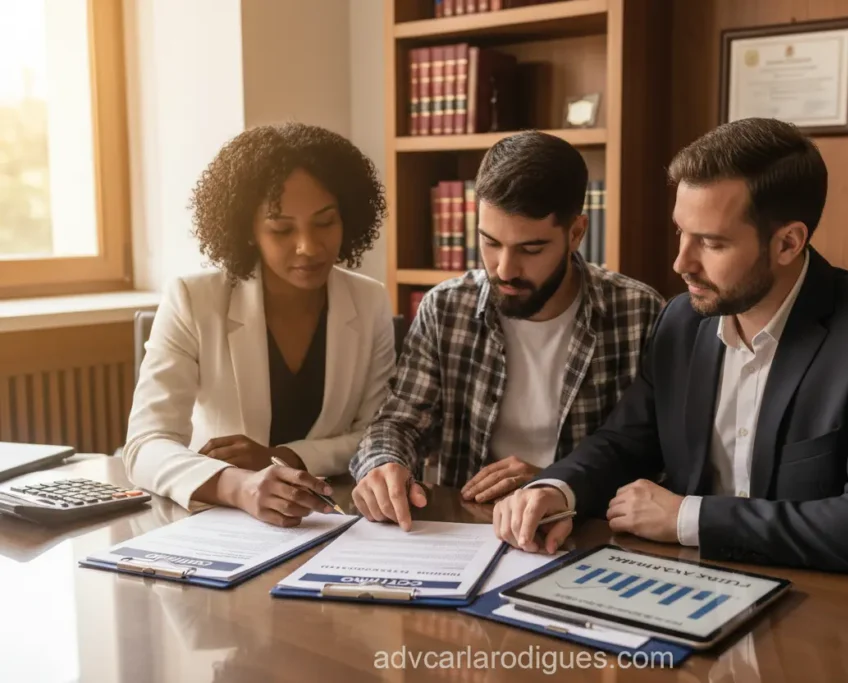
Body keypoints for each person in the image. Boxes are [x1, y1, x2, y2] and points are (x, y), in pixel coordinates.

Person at [493, 117, 848, 576]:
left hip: (827, 596)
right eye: (681, 232)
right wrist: (557, 489)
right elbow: (624, 442)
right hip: (691, 580)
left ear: (788, 243)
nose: (681, 263)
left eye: (711, 243)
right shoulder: (682, 320)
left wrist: (688, 517)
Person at [348, 130, 664, 530]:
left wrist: (557, 482)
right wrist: (383, 464)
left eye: (530, 249)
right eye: (490, 242)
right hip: (466, 530)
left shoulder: (638, 313)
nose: (504, 269)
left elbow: (654, 459)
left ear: (576, 233)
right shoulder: (446, 308)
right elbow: (399, 422)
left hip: (581, 531)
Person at [123, 122, 395, 527]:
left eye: (325, 223)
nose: (308, 247)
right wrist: (238, 486)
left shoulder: (369, 300)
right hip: (220, 521)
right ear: (248, 230)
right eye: (281, 229)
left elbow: (375, 433)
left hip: (333, 519)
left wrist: (281, 457)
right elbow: (145, 445)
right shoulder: (193, 300)